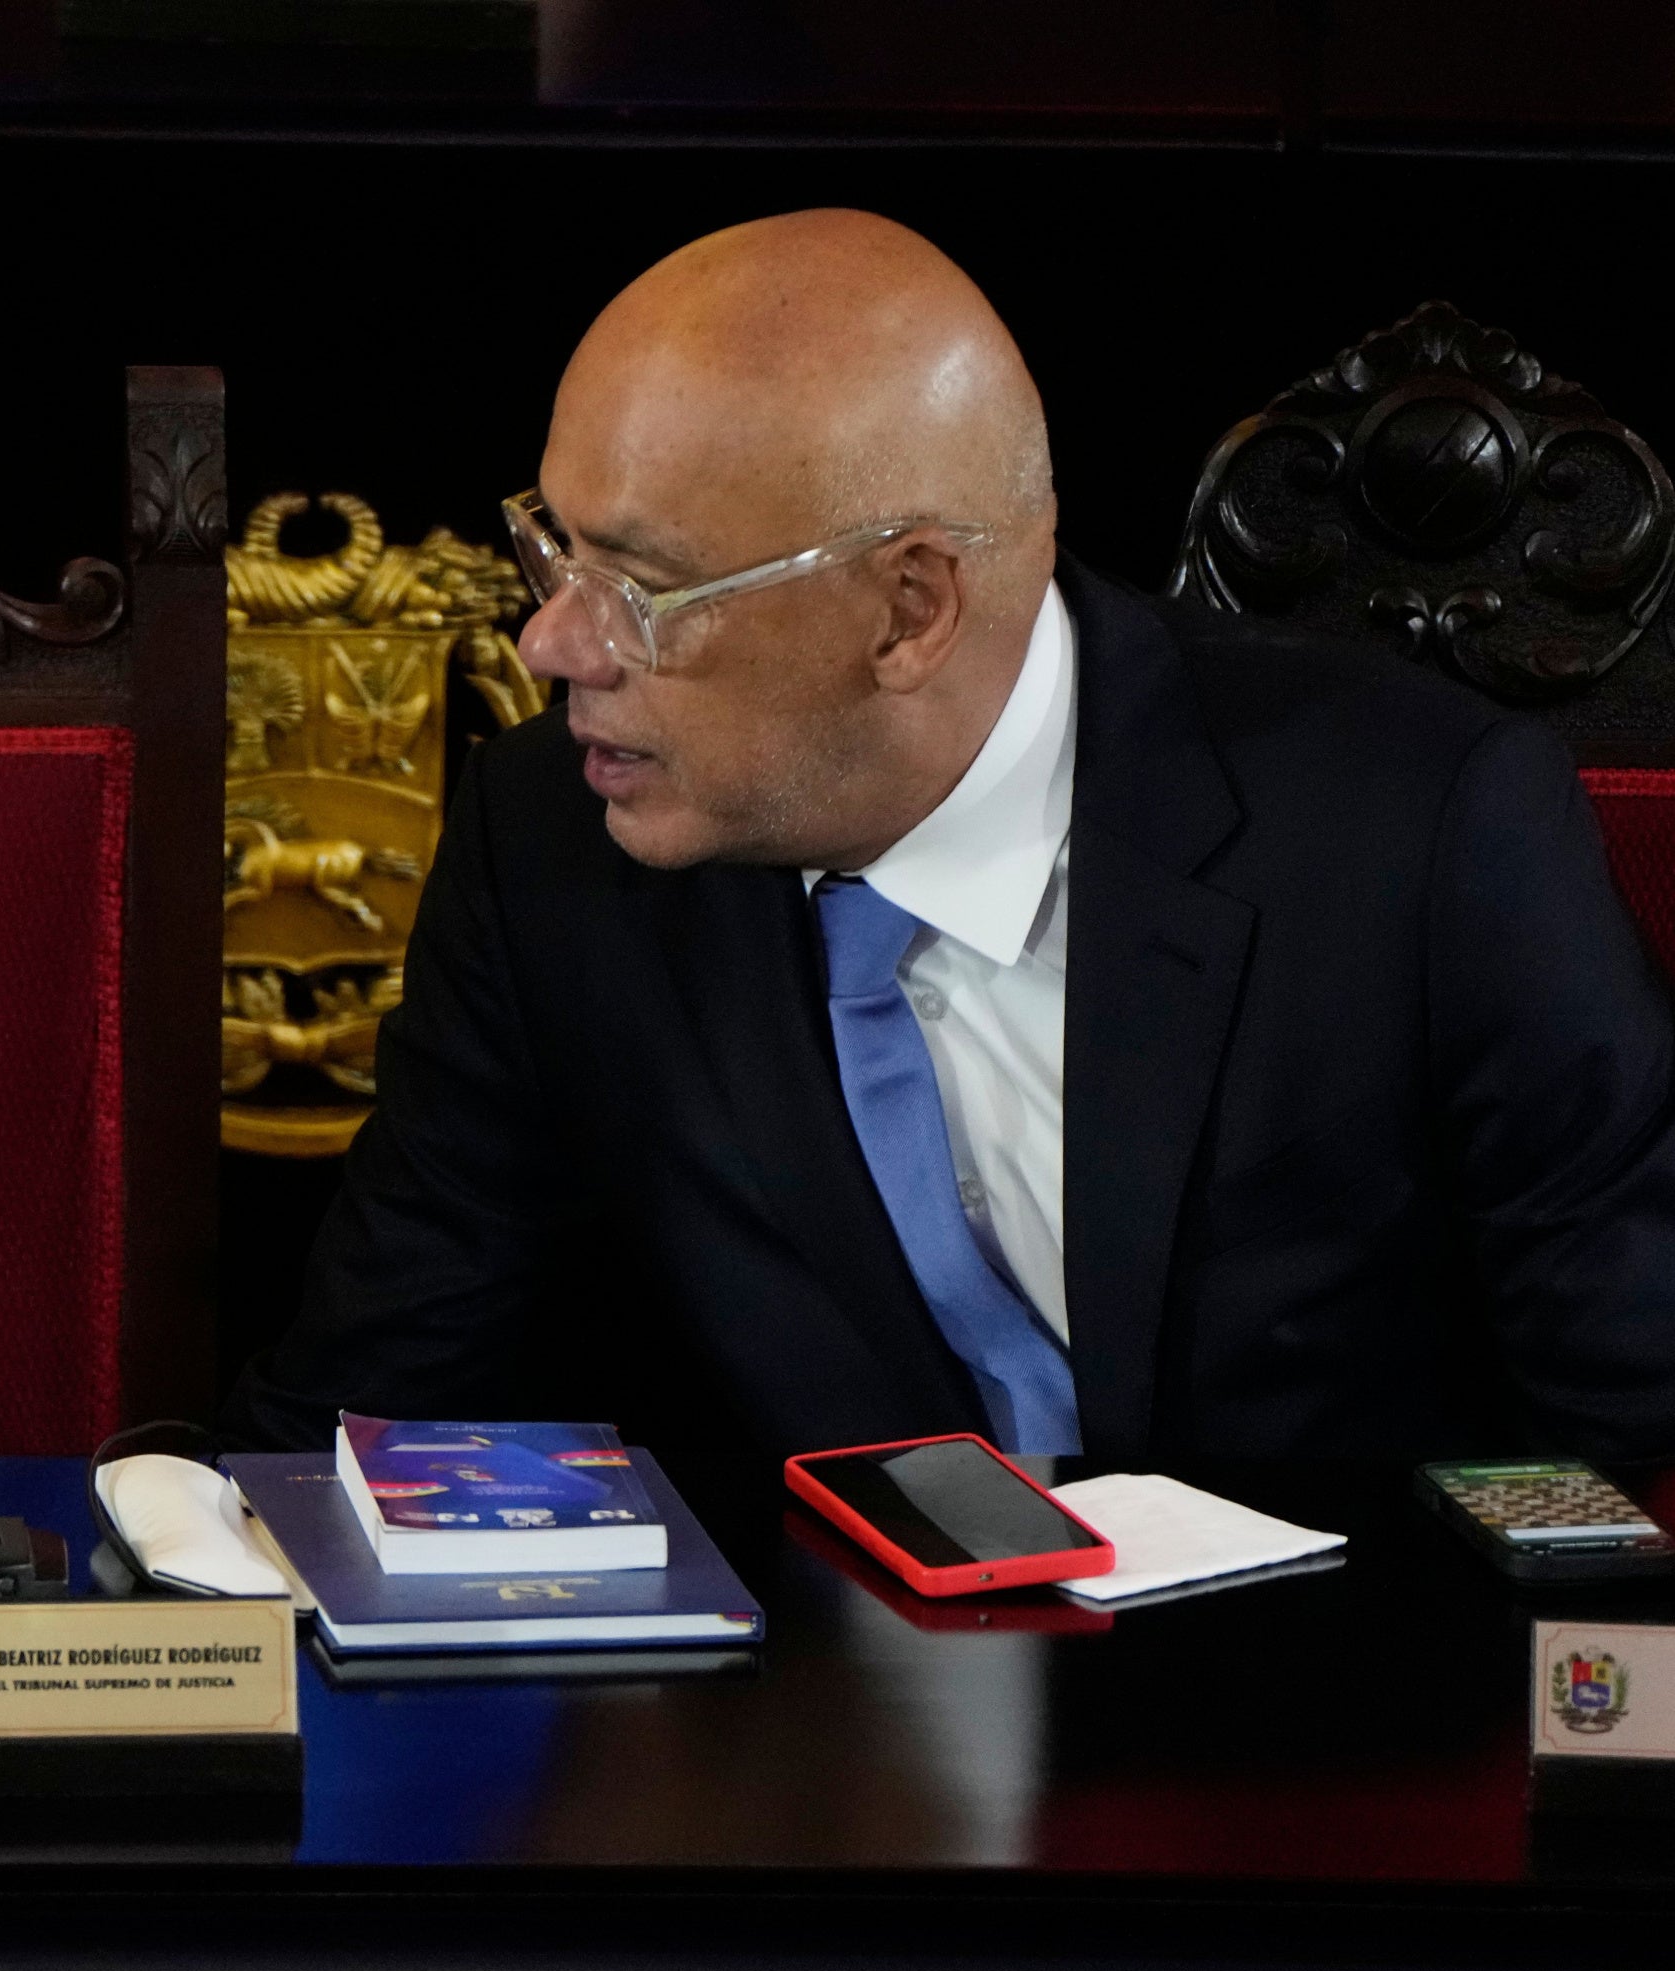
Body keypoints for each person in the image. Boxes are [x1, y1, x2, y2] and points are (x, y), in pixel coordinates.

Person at [226, 209, 1675, 1468]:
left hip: (1316, 1732)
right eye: (552, 548)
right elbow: (363, 1416)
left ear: (908, 606)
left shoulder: (1420, 837)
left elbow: (1637, 1444)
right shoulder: (547, 842)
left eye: (640, 588)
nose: (549, 643)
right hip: (809, 1748)